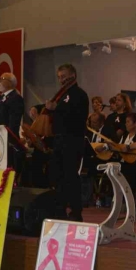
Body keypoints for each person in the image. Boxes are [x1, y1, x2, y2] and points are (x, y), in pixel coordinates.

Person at [46, 64, 89, 222]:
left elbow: (77, 117)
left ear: (73, 75)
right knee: (58, 176)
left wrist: (57, 108)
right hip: (59, 140)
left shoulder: (80, 94)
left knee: (71, 176)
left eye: (63, 76)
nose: (61, 79)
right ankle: (60, 208)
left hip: (72, 140)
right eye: (59, 77)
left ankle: (76, 211)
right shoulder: (61, 95)